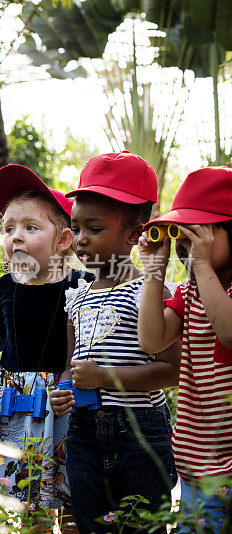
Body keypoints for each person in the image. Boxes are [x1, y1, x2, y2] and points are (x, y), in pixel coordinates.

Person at [0, 164, 88, 530]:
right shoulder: (7, 285)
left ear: (63, 240)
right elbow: (0, 327)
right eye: (8, 228)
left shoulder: (80, 285)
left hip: (62, 402)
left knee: (71, 494)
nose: (17, 237)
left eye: (30, 227)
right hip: (11, 403)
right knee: (25, 499)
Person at [50, 151, 179, 534]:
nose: (81, 239)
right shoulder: (78, 296)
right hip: (84, 432)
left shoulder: (151, 293)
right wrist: (62, 390)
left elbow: (170, 371)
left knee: (143, 526)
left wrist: (104, 377)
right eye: (76, 228)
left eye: (95, 228)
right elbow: (72, 364)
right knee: (92, 525)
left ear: (135, 234)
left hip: (139, 432)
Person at [137, 166, 232, 533]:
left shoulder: (212, 289)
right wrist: (153, 272)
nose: (185, 248)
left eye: (199, 233)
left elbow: (227, 333)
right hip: (194, 467)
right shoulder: (189, 293)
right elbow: (152, 340)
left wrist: (203, 263)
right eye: (182, 236)